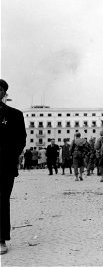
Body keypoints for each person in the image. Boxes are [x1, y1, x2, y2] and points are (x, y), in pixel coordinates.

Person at [0, 79, 27, 255]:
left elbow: (21, 139)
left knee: (2, 201)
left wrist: (10, 155)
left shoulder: (15, 115)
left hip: (5, 165)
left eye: (0, 90)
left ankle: (1, 240)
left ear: (4, 93)